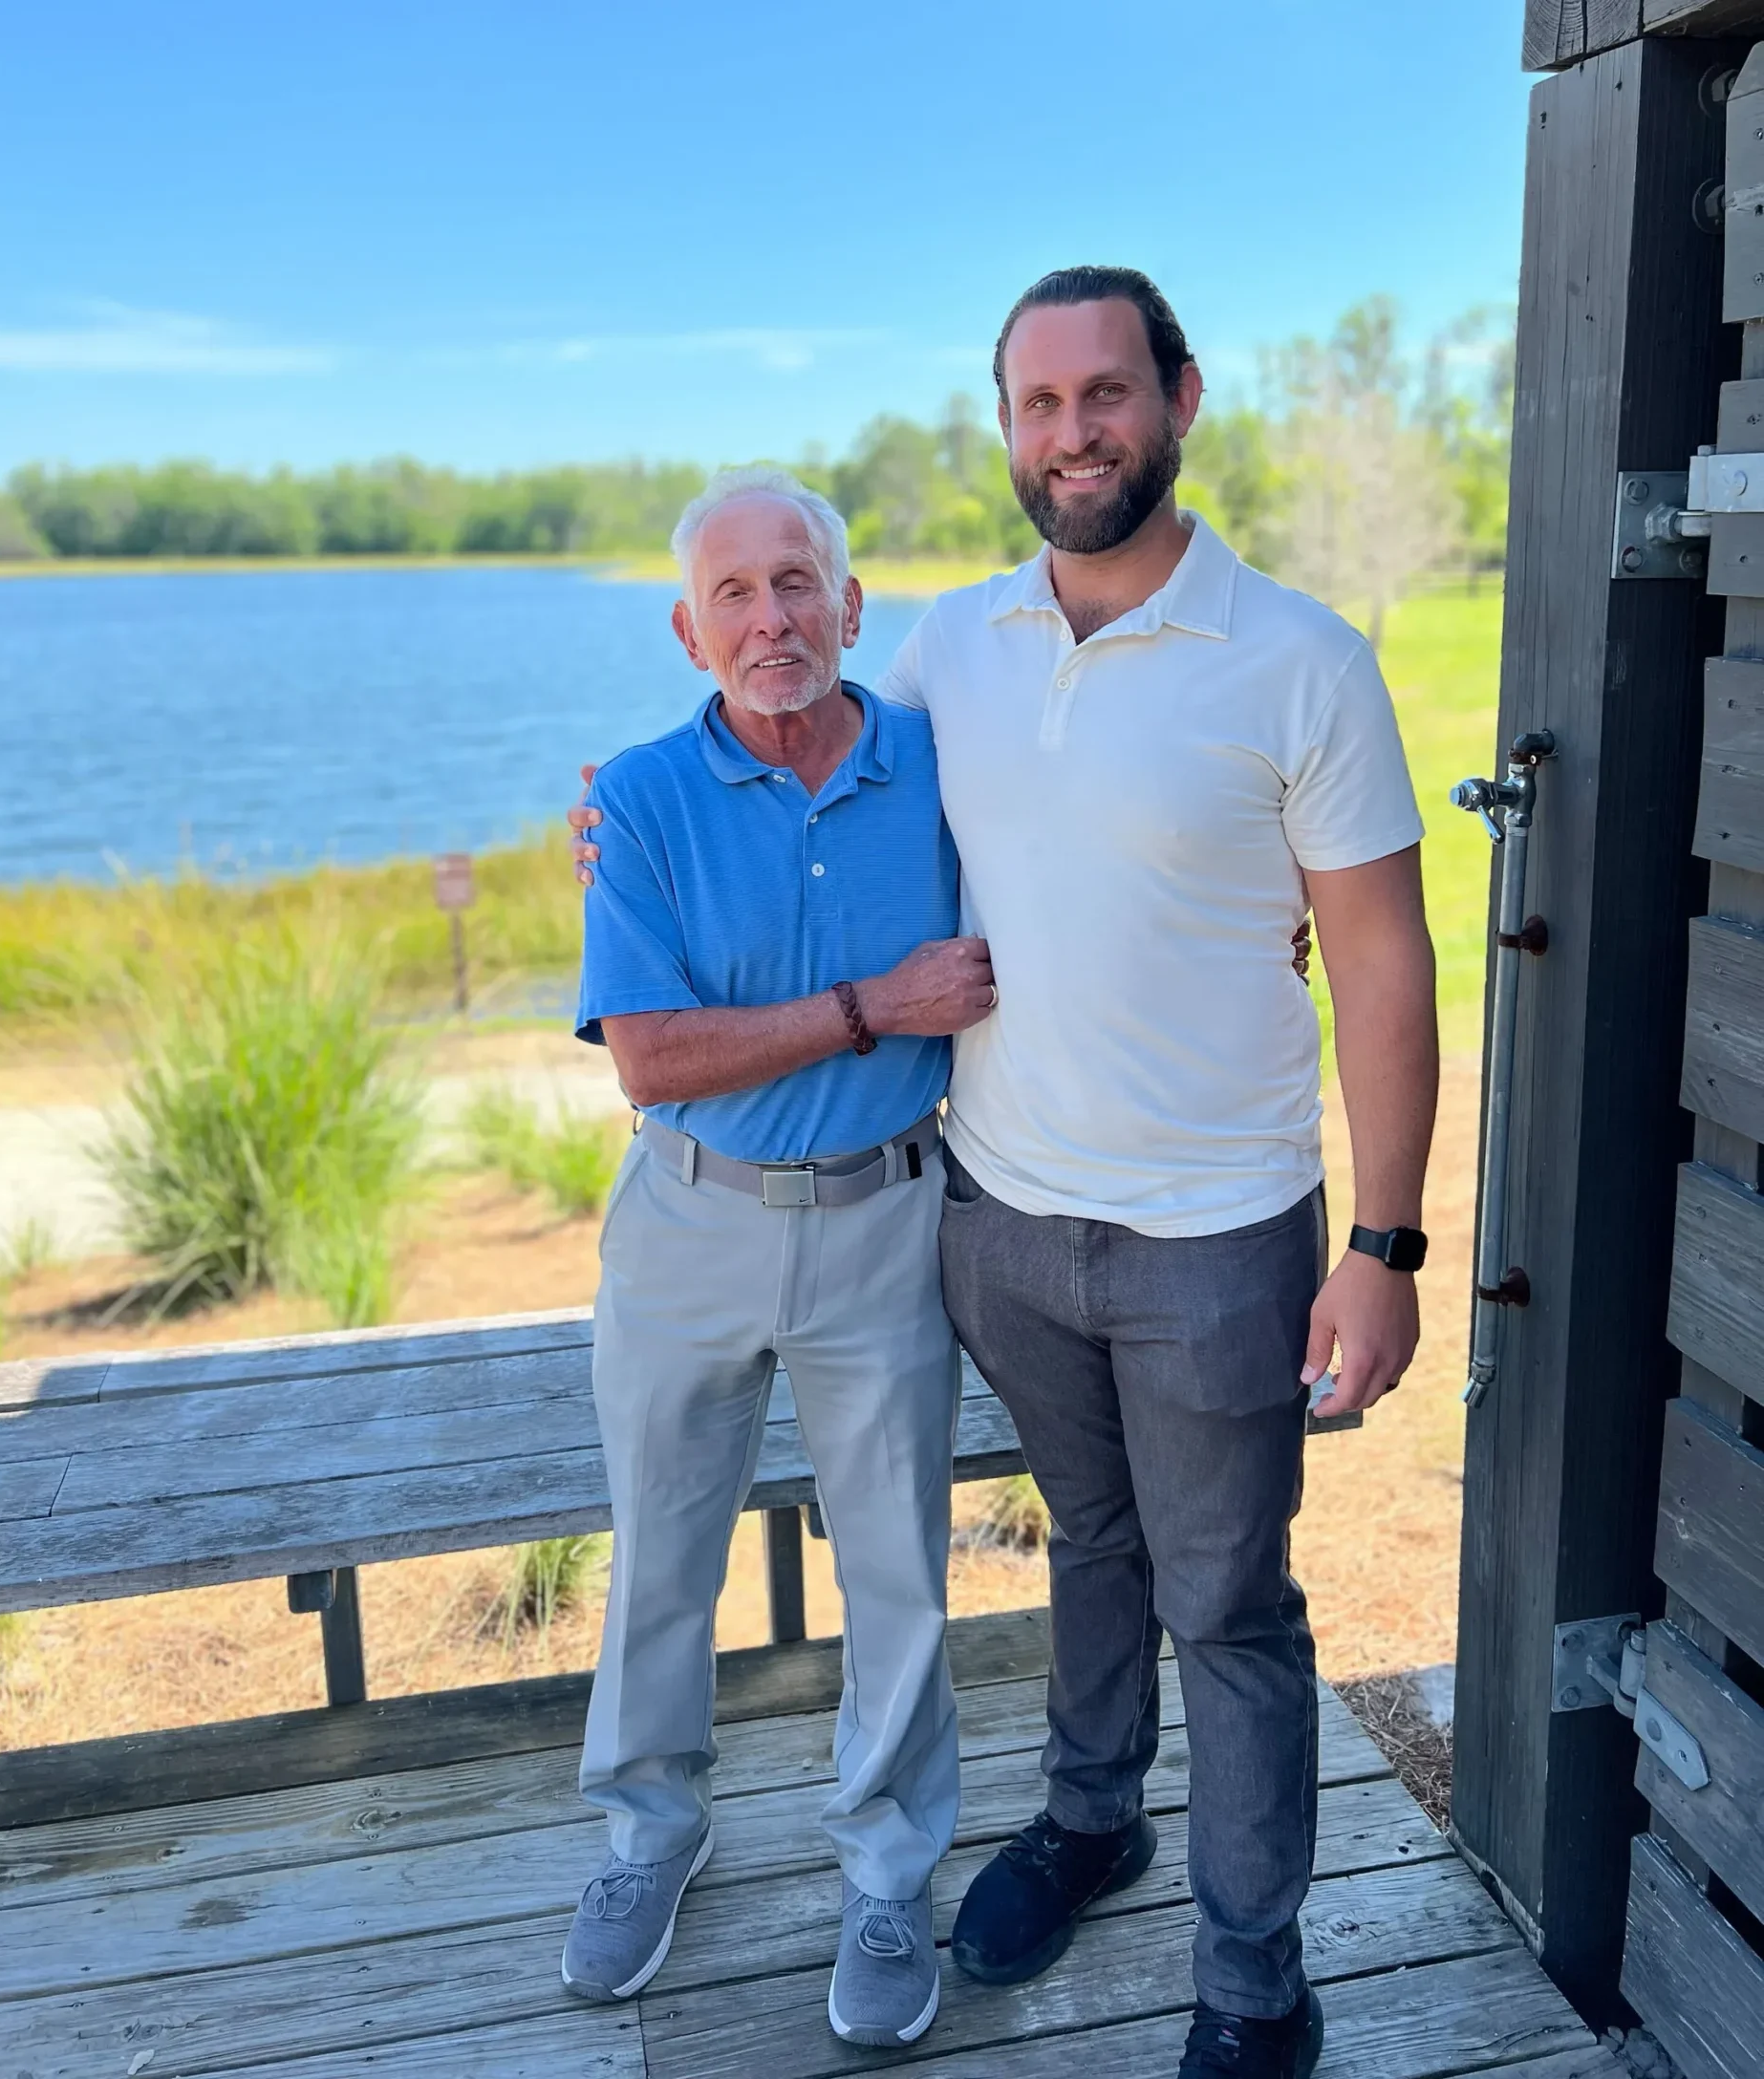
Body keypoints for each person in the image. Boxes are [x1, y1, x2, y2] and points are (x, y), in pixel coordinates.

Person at [571, 266, 1438, 2079]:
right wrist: (618, 804)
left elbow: (1380, 961)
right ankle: (1092, 1816)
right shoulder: (950, 655)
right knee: (1094, 1554)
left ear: (1179, 399)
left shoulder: (1301, 659)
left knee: (1234, 1606)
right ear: (1008, 432)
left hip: (1218, 1237)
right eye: (1039, 408)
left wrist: (1383, 1239)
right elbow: (784, 720)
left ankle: (1254, 1986)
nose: (1073, 436)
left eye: (1105, 395)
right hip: (1000, 1224)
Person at [559, 463, 996, 2051]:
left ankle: (889, 1874)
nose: (771, 620)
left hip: (886, 1222)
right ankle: (649, 1837)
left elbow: (1089, 876)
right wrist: (876, 1005)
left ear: (852, 605)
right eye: (734, 595)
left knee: (900, 1576)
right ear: (690, 630)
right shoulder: (645, 800)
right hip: (687, 1223)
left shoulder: (947, 772)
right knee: (662, 1557)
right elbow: (654, 1057)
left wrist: (1257, 918)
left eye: (797, 582)